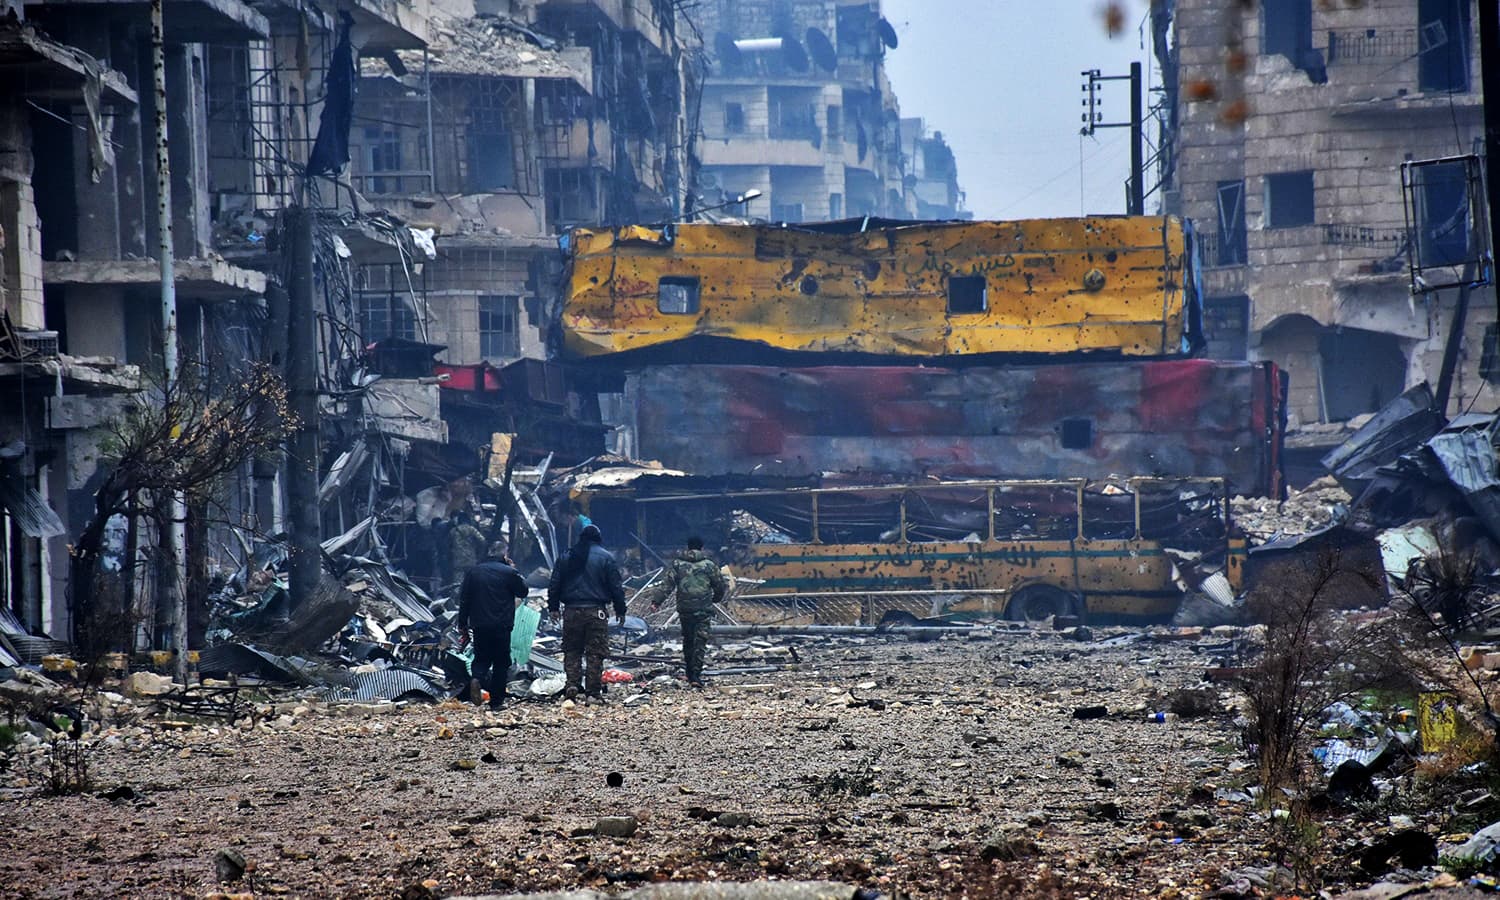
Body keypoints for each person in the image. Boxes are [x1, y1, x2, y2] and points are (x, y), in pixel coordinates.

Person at [546, 524, 625, 702]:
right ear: (598, 538)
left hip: (571, 611)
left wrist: (553, 608)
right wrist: (620, 610)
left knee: (572, 650)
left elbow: (554, 584)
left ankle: (572, 684)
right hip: (595, 612)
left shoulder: (566, 556)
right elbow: (616, 587)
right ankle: (593, 693)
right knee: (595, 652)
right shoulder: (606, 557)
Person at [456, 542, 528, 710]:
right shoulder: (509, 572)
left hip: (479, 624)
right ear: (504, 554)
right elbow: (523, 591)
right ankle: (496, 702)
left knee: (481, 658)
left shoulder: (473, 572)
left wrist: (462, 623)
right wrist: (514, 570)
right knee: (501, 663)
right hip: (501, 625)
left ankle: (477, 678)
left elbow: (464, 599)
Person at [650, 536, 727, 687]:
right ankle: (695, 676)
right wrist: (716, 599)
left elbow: (667, 585)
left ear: (687, 547)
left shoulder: (678, 564)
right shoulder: (709, 565)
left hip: (685, 609)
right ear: (702, 548)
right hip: (703, 608)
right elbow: (719, 586)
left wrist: (656, 602)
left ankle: (689, 672)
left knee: (688, 640)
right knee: (700, 640)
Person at [449, 511, 486, 578]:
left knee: (458, 580)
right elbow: (482, 540)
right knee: (471, 579)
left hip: (457, 559)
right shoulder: (472, 529)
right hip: (470, 558)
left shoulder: (453, 531)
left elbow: (449, 544)